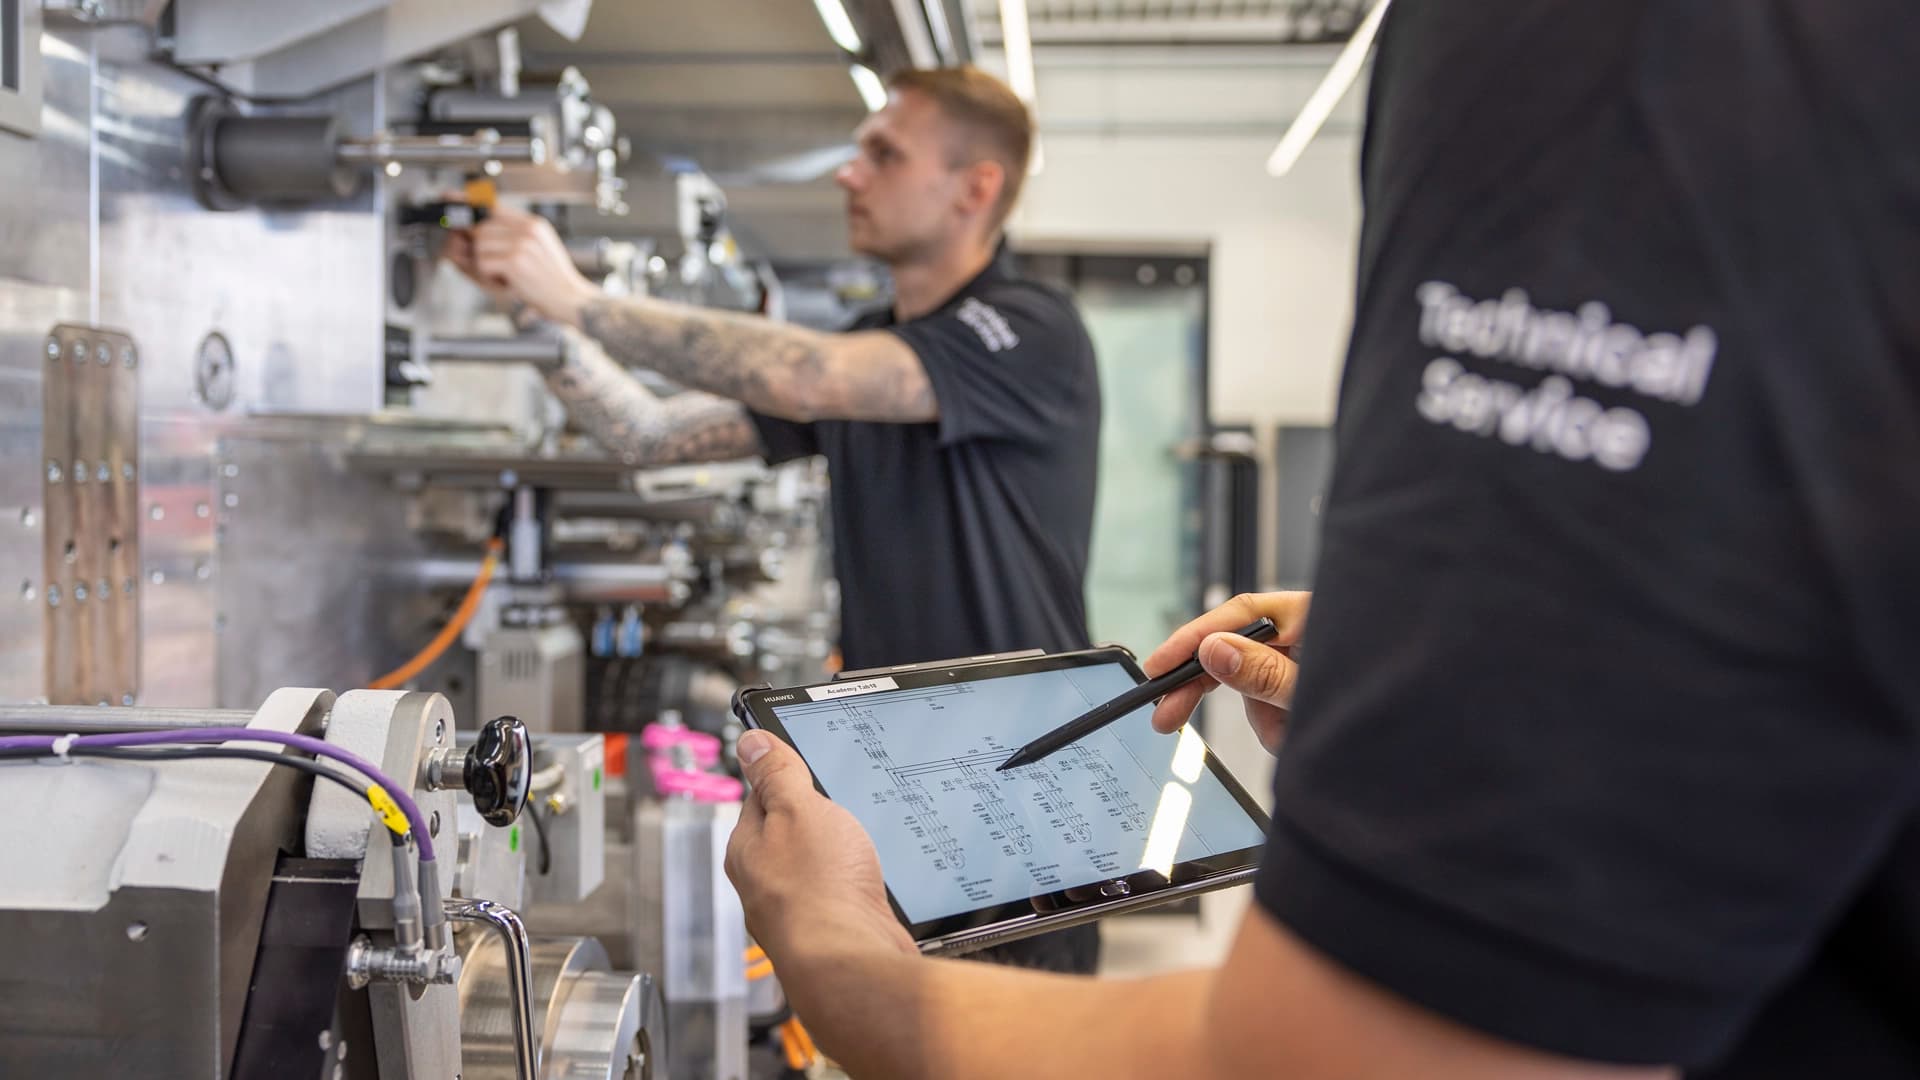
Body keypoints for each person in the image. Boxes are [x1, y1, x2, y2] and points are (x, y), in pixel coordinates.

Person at [719, 3, 1920, 1077]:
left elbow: (1382, 1058)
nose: (847, 175)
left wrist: (840, 957)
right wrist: (1451, 651)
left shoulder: (1621, 47)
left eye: (884, 149)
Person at [449, 66, 1104, 973]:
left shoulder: (1029, 330)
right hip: (898, 788)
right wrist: (536, 309)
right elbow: (646, 432)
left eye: (883, 152)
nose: (849, 172)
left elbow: (812, 376)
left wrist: (585, 300)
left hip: (1024, 797)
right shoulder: (872, 344)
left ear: (975, 187)